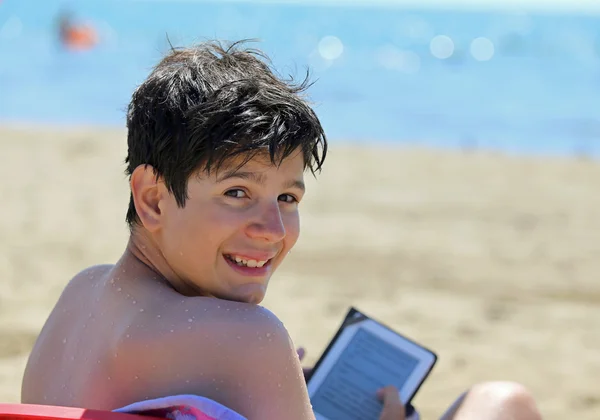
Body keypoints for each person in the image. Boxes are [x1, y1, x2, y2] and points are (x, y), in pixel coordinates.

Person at [21, 40, 543, 420]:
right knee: (505, 404)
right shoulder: (249, 338)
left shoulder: (80, 296)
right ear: (153, 198)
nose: (272, 230)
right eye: (237, 193)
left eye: (287, 199)